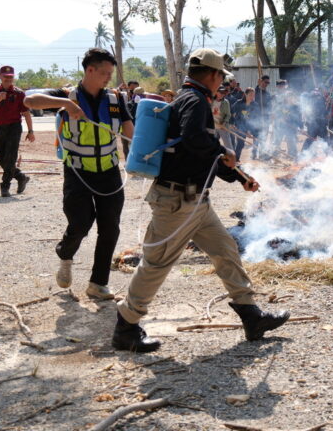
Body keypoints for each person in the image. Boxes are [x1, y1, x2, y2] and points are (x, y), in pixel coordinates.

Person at [113, 49, 289, 352]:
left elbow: (202, 155)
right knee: (156, 265)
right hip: (178, 201)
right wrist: (222, 151)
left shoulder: (191, 100)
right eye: (221, 75)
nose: (221, 81)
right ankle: (125, 327)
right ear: (212, 74)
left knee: (225, 250)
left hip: (196, 202)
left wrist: (240, 176)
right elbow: (197, 140)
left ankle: (251, 315)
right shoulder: (194, 102)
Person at [24, 48, 134, 300]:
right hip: (78, 172)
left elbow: (129, 128)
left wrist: (137, 154)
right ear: (89, 70)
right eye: (104, 72)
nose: (108, 77)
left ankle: (98, 283)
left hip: (109, 172)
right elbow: (29, 102)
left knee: (110, 228)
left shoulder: (116, 99)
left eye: (110, 73)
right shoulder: (66, 96)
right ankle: (65, 254)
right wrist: (64, 104)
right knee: (80, 223)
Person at [0, 66, 34, 197]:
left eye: (11, 77)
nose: (8, 79)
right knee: (0, 156)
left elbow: (26, 113)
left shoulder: (19, 93)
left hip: (14, 127)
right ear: (0, 77)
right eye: (5, 76)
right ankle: (20, 176)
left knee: (10, 157)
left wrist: (31, 131)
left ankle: (5, 186)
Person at [271, 80, 301, 159]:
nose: (289, 98)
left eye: (283, 85)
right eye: (280, 85)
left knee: (291, 139)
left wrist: (298, 126)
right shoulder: (278, 100)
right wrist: (278, 117)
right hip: (280, 125)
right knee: (277, 140)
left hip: (290, 126)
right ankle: (274, 154)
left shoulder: (294, 106)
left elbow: (297, 115)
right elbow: (276, 111)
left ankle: (292, 155)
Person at [232, 87, 259, 161]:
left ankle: (254, 154)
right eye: (250, 95)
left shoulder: (255, 105)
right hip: (240, 126)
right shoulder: (239, 103)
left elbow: (255, 118)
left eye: (253, 95)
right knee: (240, 143)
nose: (252, 97)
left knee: (257, 138)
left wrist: (250, 131)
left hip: (251, 126)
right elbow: (231, 112)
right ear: (245, 94)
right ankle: (236, 158)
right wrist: (233, 123)